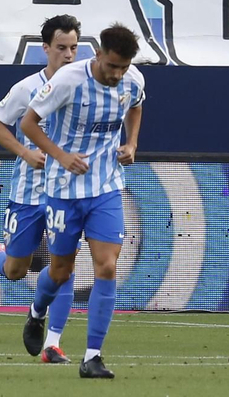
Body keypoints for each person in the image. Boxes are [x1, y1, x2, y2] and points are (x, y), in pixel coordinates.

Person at [19, 24, 146, 380]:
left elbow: (136, 107)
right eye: (112, 67)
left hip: (105, 188)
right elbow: (29, 124)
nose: (117, 74)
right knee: (61, 271)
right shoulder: (68, 80)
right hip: (63, 190)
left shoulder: (132, 80)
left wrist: (132, 143)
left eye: (123, 67)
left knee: (106, 266)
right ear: (99, 54)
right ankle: (37, 310)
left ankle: (92, 356)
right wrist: (60, 156)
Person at [0, 14, 81, 363]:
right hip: (27, 195)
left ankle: (52, 344)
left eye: (73, 48)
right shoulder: (27, 88)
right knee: (17, 270)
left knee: (63, 266)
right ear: (45, 48)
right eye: (61, 48)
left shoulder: (86, 87)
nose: (68, 55)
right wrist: (25, 152)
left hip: (67, 194)